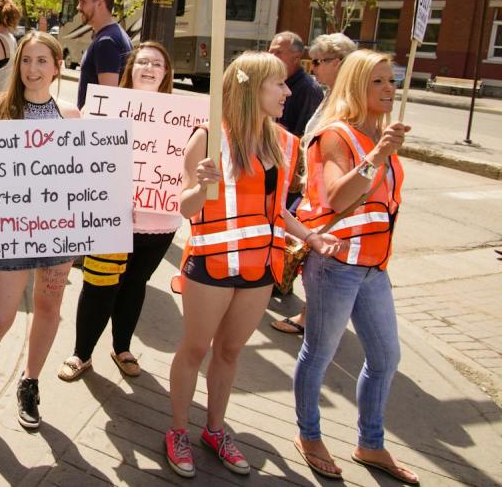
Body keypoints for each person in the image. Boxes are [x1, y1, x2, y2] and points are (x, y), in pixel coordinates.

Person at [164, 52, 343, 478]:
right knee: (195, 349)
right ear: (249, 89)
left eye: (286, 84)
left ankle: (215, 428)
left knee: (229, 351)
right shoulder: (208, 137)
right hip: (210, 264)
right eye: (278, 84)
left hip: (261, 268)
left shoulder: (283, 142)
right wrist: (201, 185)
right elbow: (185, 206)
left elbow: (276, 210)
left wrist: (312, 236)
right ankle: (177, 431)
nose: (288, 91)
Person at [291, 49, 417, 484]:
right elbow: (337, 198)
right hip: (336, 264)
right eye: (378, 81)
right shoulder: (335, 136)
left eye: (392, 80)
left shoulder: (381, 133)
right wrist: (377, 156)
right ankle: (309, 435)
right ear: (356, 85)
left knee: (386, 357)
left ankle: (371, 442)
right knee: (320, 354)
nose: (389, 89)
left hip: (374, 267)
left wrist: (382, 150)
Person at [0, 32, 80, 431]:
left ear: (57, 67)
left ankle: (31, 383)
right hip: (9, 232)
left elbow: (85, 175)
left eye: (43, 61)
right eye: (27, 60)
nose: (33, 69)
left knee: (49, 312)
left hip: (58, 232)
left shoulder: (71, 116)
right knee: (1, 317)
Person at [58, 41, 181, 382]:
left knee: (135, 284)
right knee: (99, 285)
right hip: (110, 217)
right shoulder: (107, 107)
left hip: (159, 221)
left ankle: (122, 347)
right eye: (142, 61)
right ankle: (81, 353)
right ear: (131, 69)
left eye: (157, 63)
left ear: (166, 73)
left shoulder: (181, 116)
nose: (149, 68)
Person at [271, 32, 357, 337]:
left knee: (317, 256)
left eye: (319, 62)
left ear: (339, 63)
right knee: (312, 252)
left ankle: (312, 318)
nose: (314, 68)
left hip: (329, 193)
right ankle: (313, 313)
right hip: (314, 187)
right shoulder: (332, 94)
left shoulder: (346, 101)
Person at [75, 0, 132, 109]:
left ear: (100, 3)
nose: (78, 7)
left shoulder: (106, 42)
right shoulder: (116, 34)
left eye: (83, 1)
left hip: (95, 127)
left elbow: (107, 100)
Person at [268, 31, 323, 137]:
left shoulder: (309, 90)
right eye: (271, 51)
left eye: (278, 52)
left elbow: (306, 137)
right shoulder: (269, 83)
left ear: (296, 58)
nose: (272, 56)